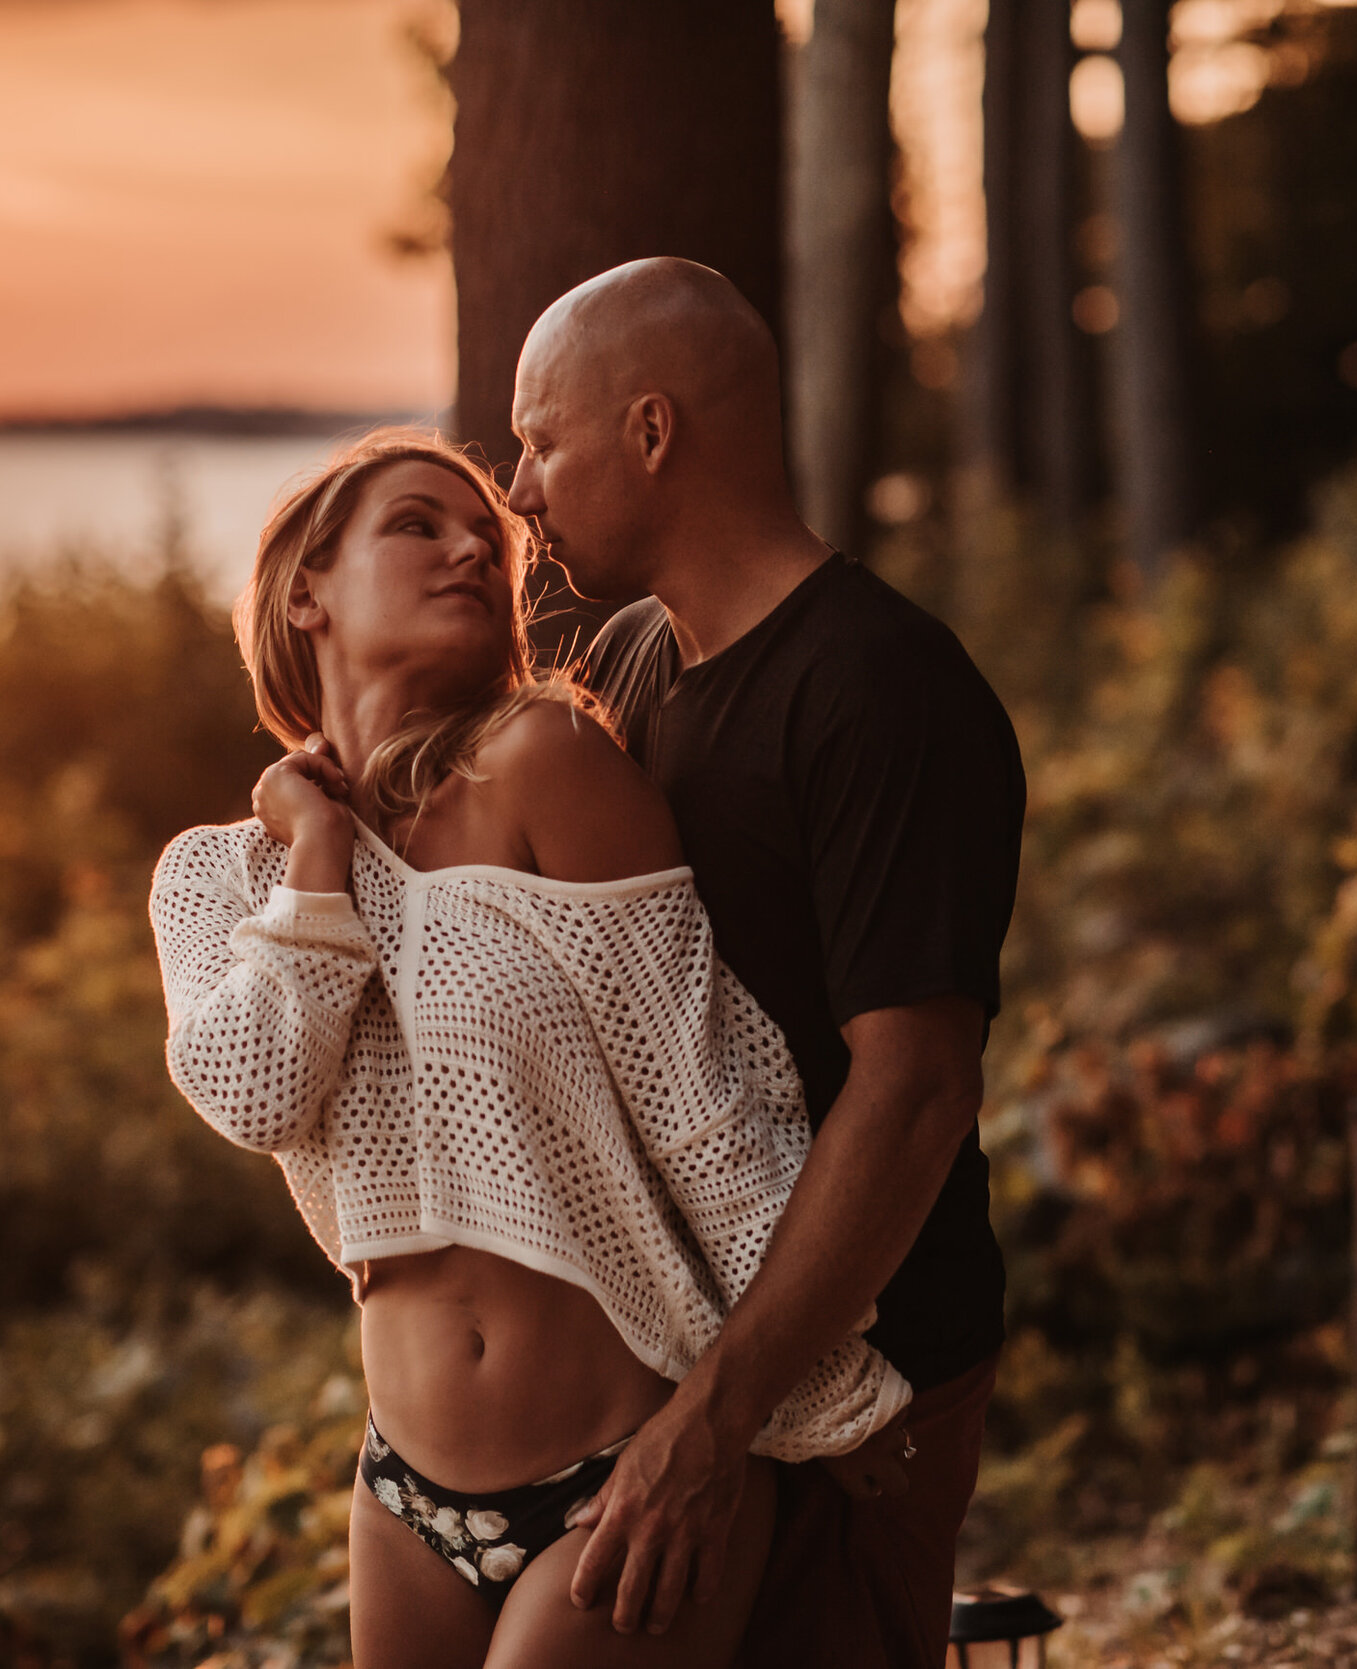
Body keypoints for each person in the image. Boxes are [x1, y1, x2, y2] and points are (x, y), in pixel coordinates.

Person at [149, 428, 911, 1669]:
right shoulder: (217, 876)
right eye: (416, 525)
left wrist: (808, 1389)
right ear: (306, 590)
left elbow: (701, 1094)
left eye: (486, 542)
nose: (469, 550)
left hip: (628, 1464)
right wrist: (318, 857)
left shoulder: (543, 763)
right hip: (403, 1496)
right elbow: (256, 1090)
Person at [508, 257, 1026, 1668]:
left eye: (541, 440)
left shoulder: (883, 691)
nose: (520, 491)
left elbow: (917, 1091)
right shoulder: (629, 668)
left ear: (653, 432)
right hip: (691, 1365)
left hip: (860, 1383)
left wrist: (721, 1416)